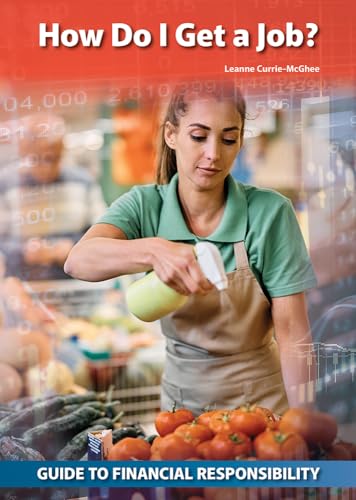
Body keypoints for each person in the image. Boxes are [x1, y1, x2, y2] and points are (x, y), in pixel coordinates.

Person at [64, 84, 317, 415]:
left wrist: (305, 417)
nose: (214, 154)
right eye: (199, 137)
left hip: (263, 409)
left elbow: (292, 331)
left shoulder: (269, 213)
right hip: (182, 413)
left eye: (228, 139)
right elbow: (78, 261)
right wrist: (153, 250)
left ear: (240, 140)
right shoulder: (145, 206)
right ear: (171, 134)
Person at [0, 113, 107, 281]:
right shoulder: (5, 184)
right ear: (23, 151)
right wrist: (23, 251)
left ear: (62, 150)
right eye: (37, 158)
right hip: (21, 285)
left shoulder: (84, 182)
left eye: (53, 159)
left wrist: (72, 246)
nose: (47, 167)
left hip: (79, 285)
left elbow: (103, 232)